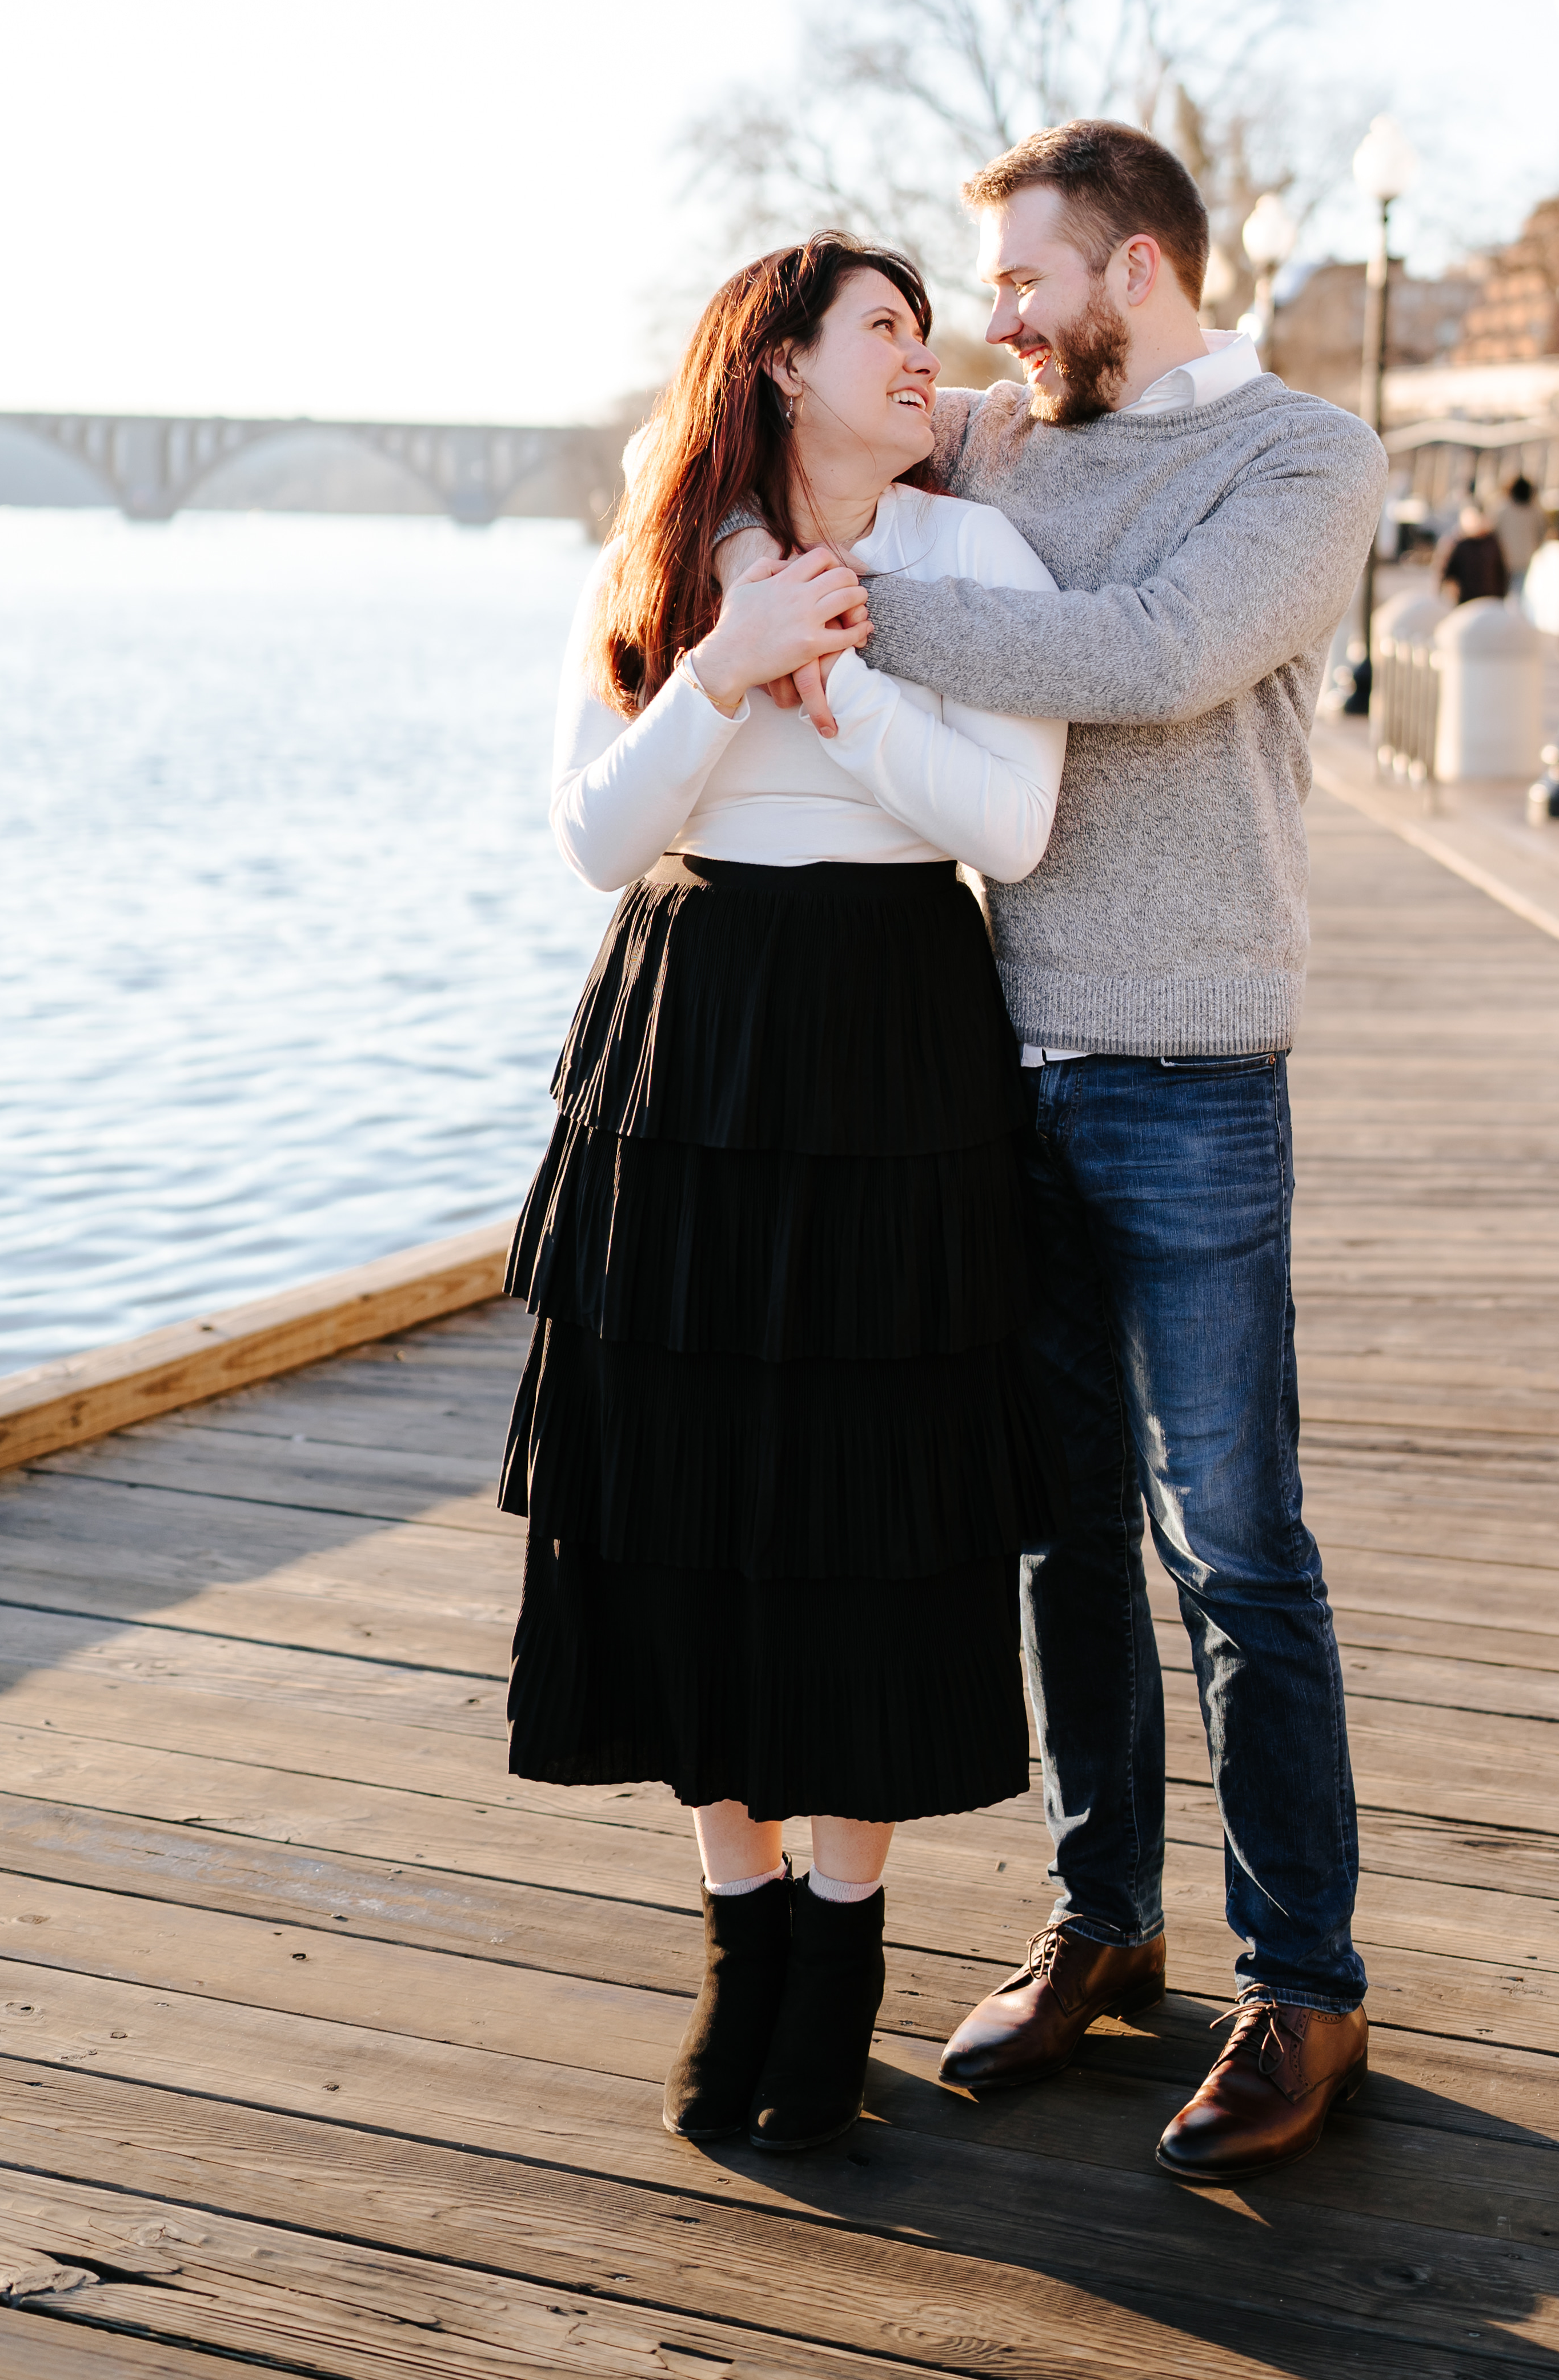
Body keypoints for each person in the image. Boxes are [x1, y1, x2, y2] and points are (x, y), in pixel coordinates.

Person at [817, 120, 1386, 2184]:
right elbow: (793, 413)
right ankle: (1102, 1920)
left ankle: (1301, 1978)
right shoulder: (993, 433)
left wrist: (853, 619)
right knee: (1059, 1527)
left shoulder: (1301, 461)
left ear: (1137, 265)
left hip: (1194, 1066)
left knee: (1231, 1542)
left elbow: (1148, 661)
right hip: (999, 1067)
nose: (994, 322)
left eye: (1027, 280)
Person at [500, 234, 1065, 2155]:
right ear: (783, 363)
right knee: (681, 1495)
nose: (931, 356)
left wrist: (848, 706)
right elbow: (597, 838)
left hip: (894, 1040)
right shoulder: (655, 562)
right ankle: (737, 1932)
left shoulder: (977, 561)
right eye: (889, 329)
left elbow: (1008, 827)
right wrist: (729, 674)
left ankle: (840, 1944)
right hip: (688, 1042)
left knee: (871, 1506)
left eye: (928, 326)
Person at [1433, 498, 1509, 603]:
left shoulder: (1492, 542)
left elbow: (1501, 571)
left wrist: (1501, 597)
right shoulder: (1457, 544)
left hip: (1489, 601)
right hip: (1465, 601)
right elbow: (1445, 571)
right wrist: (1441, 593)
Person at [1491, 471, 1543, 580]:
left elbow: (1495, 532)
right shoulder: (1535, 511)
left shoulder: (1503, 509)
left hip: (1506, 559)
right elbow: (1541, 533)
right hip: (1528, 558)